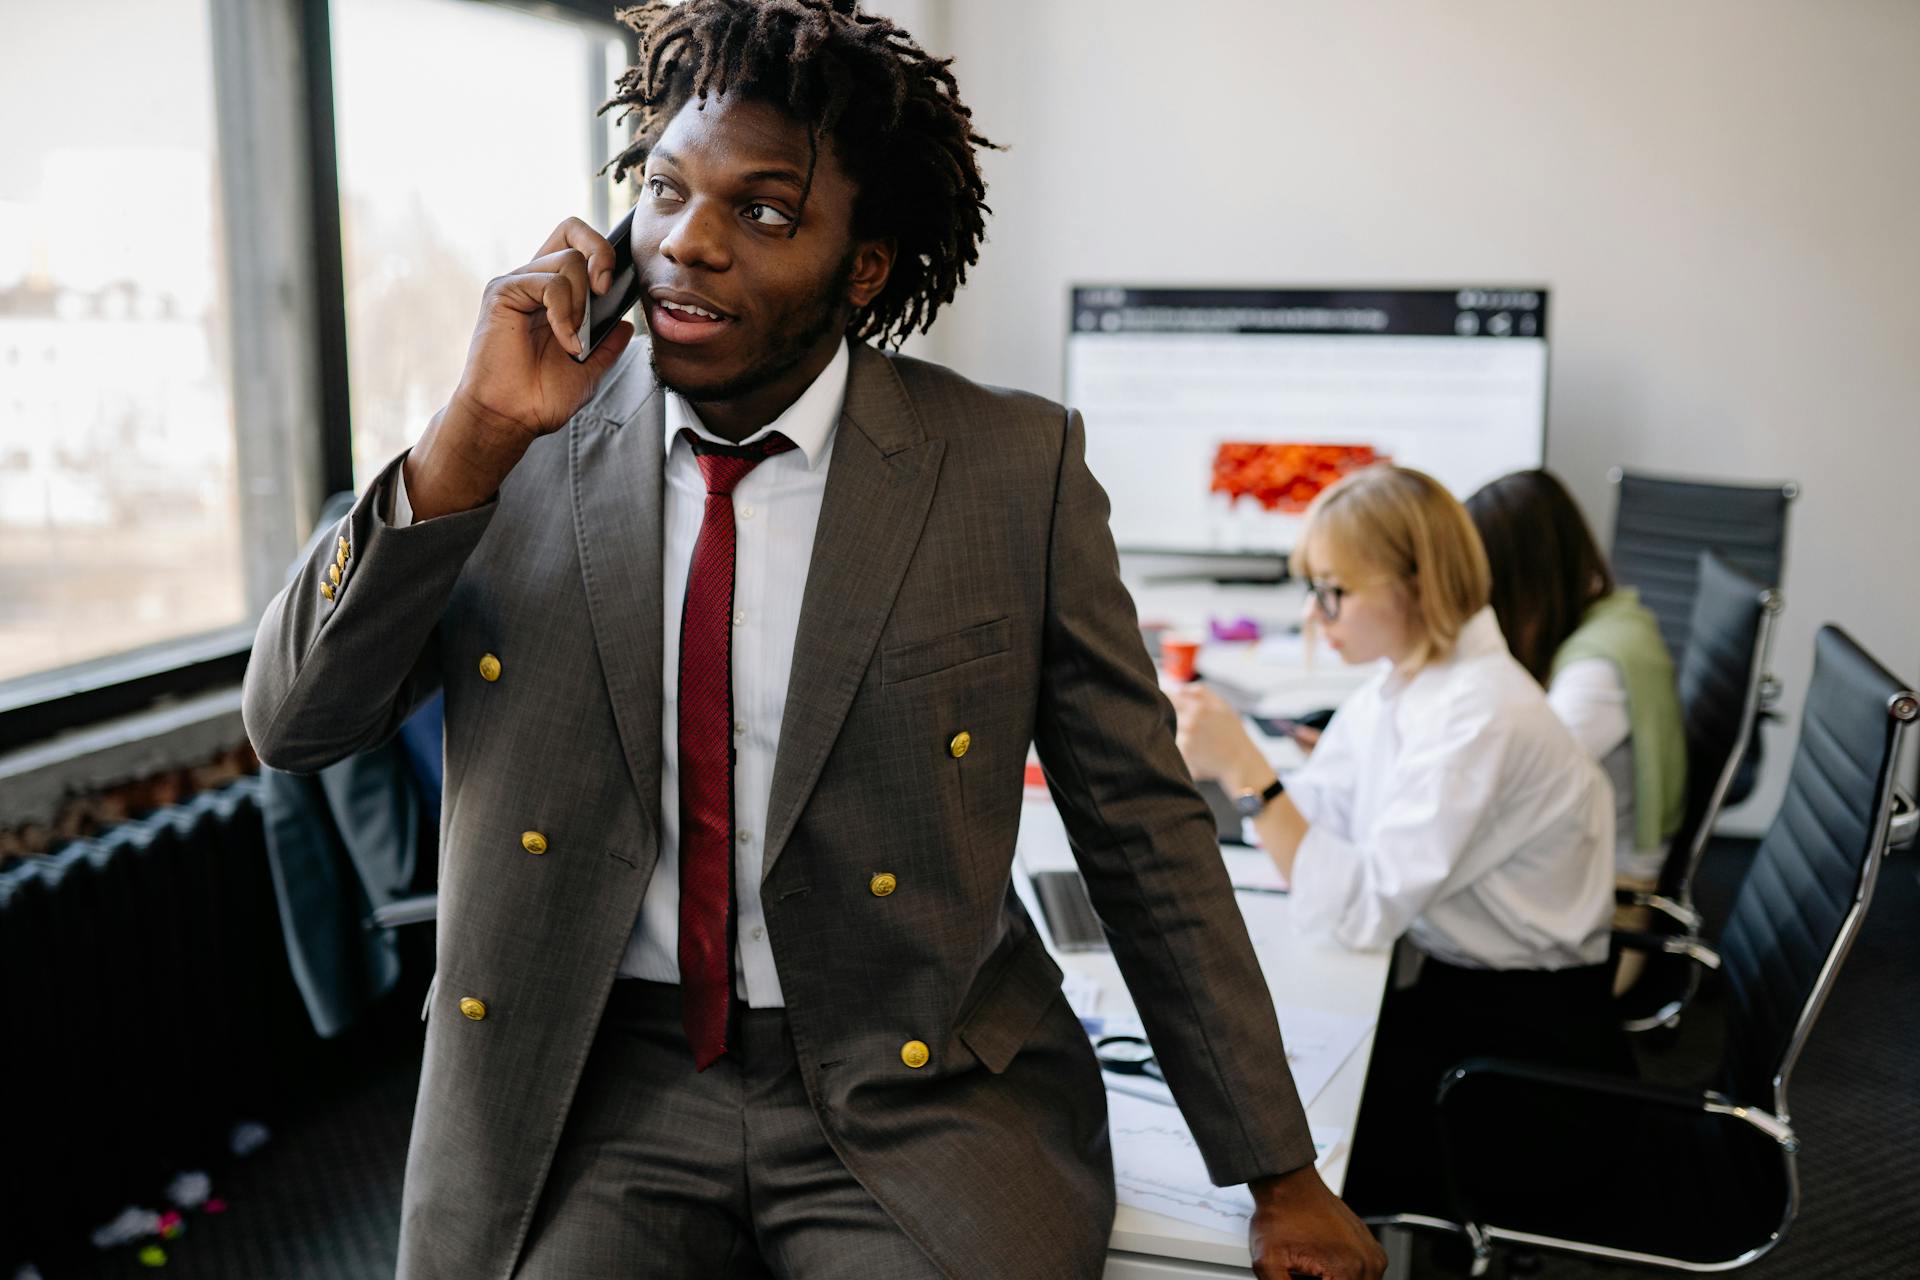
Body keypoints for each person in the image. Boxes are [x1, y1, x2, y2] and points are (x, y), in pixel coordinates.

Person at [241, 2, 1385, 1277]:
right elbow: (295, 723)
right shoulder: (514, 441)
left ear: (866, 267)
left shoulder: (1009, 468)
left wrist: (1281, 1170)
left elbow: (1141, 828)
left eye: (765, 213)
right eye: (665, 191)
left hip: (915, 1082)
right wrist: (466, 437)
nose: (689, 245)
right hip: (592, 1086)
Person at [1172, 464, 1625, 1216]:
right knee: (1245, 1083)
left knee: (1259, 1151)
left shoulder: (1481, 714)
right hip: (1463, 999)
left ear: (1415, 585)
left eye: (1335, 591)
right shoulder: (1410, 680)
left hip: (1516, 1058)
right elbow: (1322, 812)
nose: (1318, 617)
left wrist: (1247, 771)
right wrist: (1239, 770)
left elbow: (1361, 909)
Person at [1464, 469, 1687, 915]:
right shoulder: (1601, 616)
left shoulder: (1599, 670)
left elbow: (1515, 786)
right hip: (1576, 865)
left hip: (1613, 903)